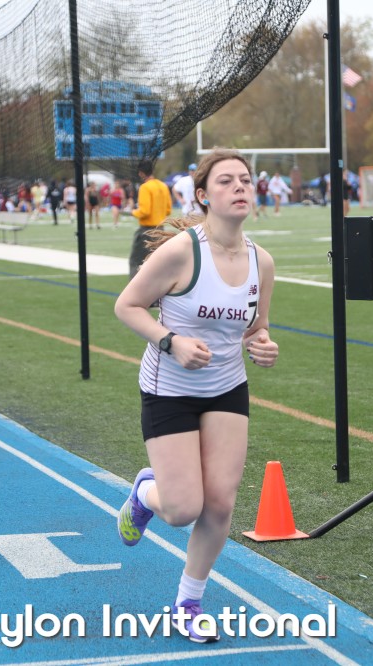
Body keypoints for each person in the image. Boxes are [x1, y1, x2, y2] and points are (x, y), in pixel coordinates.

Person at [113, 147, 279, 644]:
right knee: (183, 508)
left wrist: (263, 345)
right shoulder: (183, 251)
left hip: (227, 387)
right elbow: (127, 305)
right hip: (169, 389)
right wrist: (171, 341)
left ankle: (188, 602)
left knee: (220, 505)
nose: (240, 186)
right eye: (226, 180)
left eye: (245, 179)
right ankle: (145, 494)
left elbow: (256, 328)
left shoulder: (262, 262)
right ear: (204, 196)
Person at [129, 159, 173, 278]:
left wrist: (132, 212)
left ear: (141, 173)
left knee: (137, 261)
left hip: (147, 231)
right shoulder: (163, 186)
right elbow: (168, 210)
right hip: (161, 230)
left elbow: (144, 211)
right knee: (158, 263)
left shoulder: (145, 187)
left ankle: (136, 287)